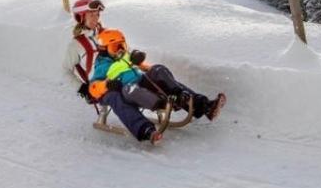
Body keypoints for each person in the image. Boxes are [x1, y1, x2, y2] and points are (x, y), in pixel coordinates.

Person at [83, 28, 226, 144]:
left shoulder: (124, 57)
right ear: (104, 49)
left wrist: (151, 69)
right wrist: (107, 84)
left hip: (142, 83)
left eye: (122, 45)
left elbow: (143, 67)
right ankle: (146, 129)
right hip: (126, 91)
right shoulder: (102, 65)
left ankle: (202, 105)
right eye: (116, 47)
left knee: (158, 70)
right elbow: (93, 88)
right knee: (126, 91)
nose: (120, 49)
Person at [63, 0, 105, 86]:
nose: (96, 18)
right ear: (82, 18)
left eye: (97, 14)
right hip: (100, 89)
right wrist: (83, 91)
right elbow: (66, 71)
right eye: (91, 15)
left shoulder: (106, 34)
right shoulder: (76, 44)